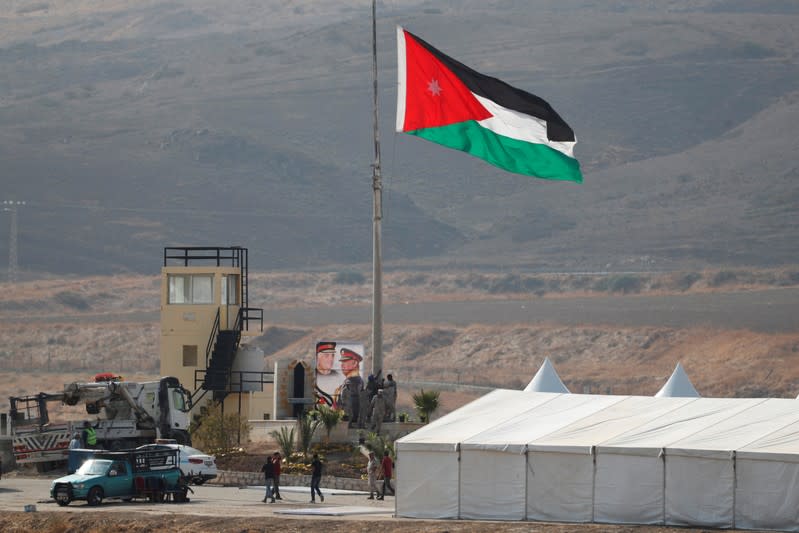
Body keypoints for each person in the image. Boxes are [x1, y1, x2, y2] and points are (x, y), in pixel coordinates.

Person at [315, 342, 343, 407]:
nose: (331, 359)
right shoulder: (312, 376)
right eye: (326, 355)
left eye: (332, 355)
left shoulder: (338, 377)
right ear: (318, 357)